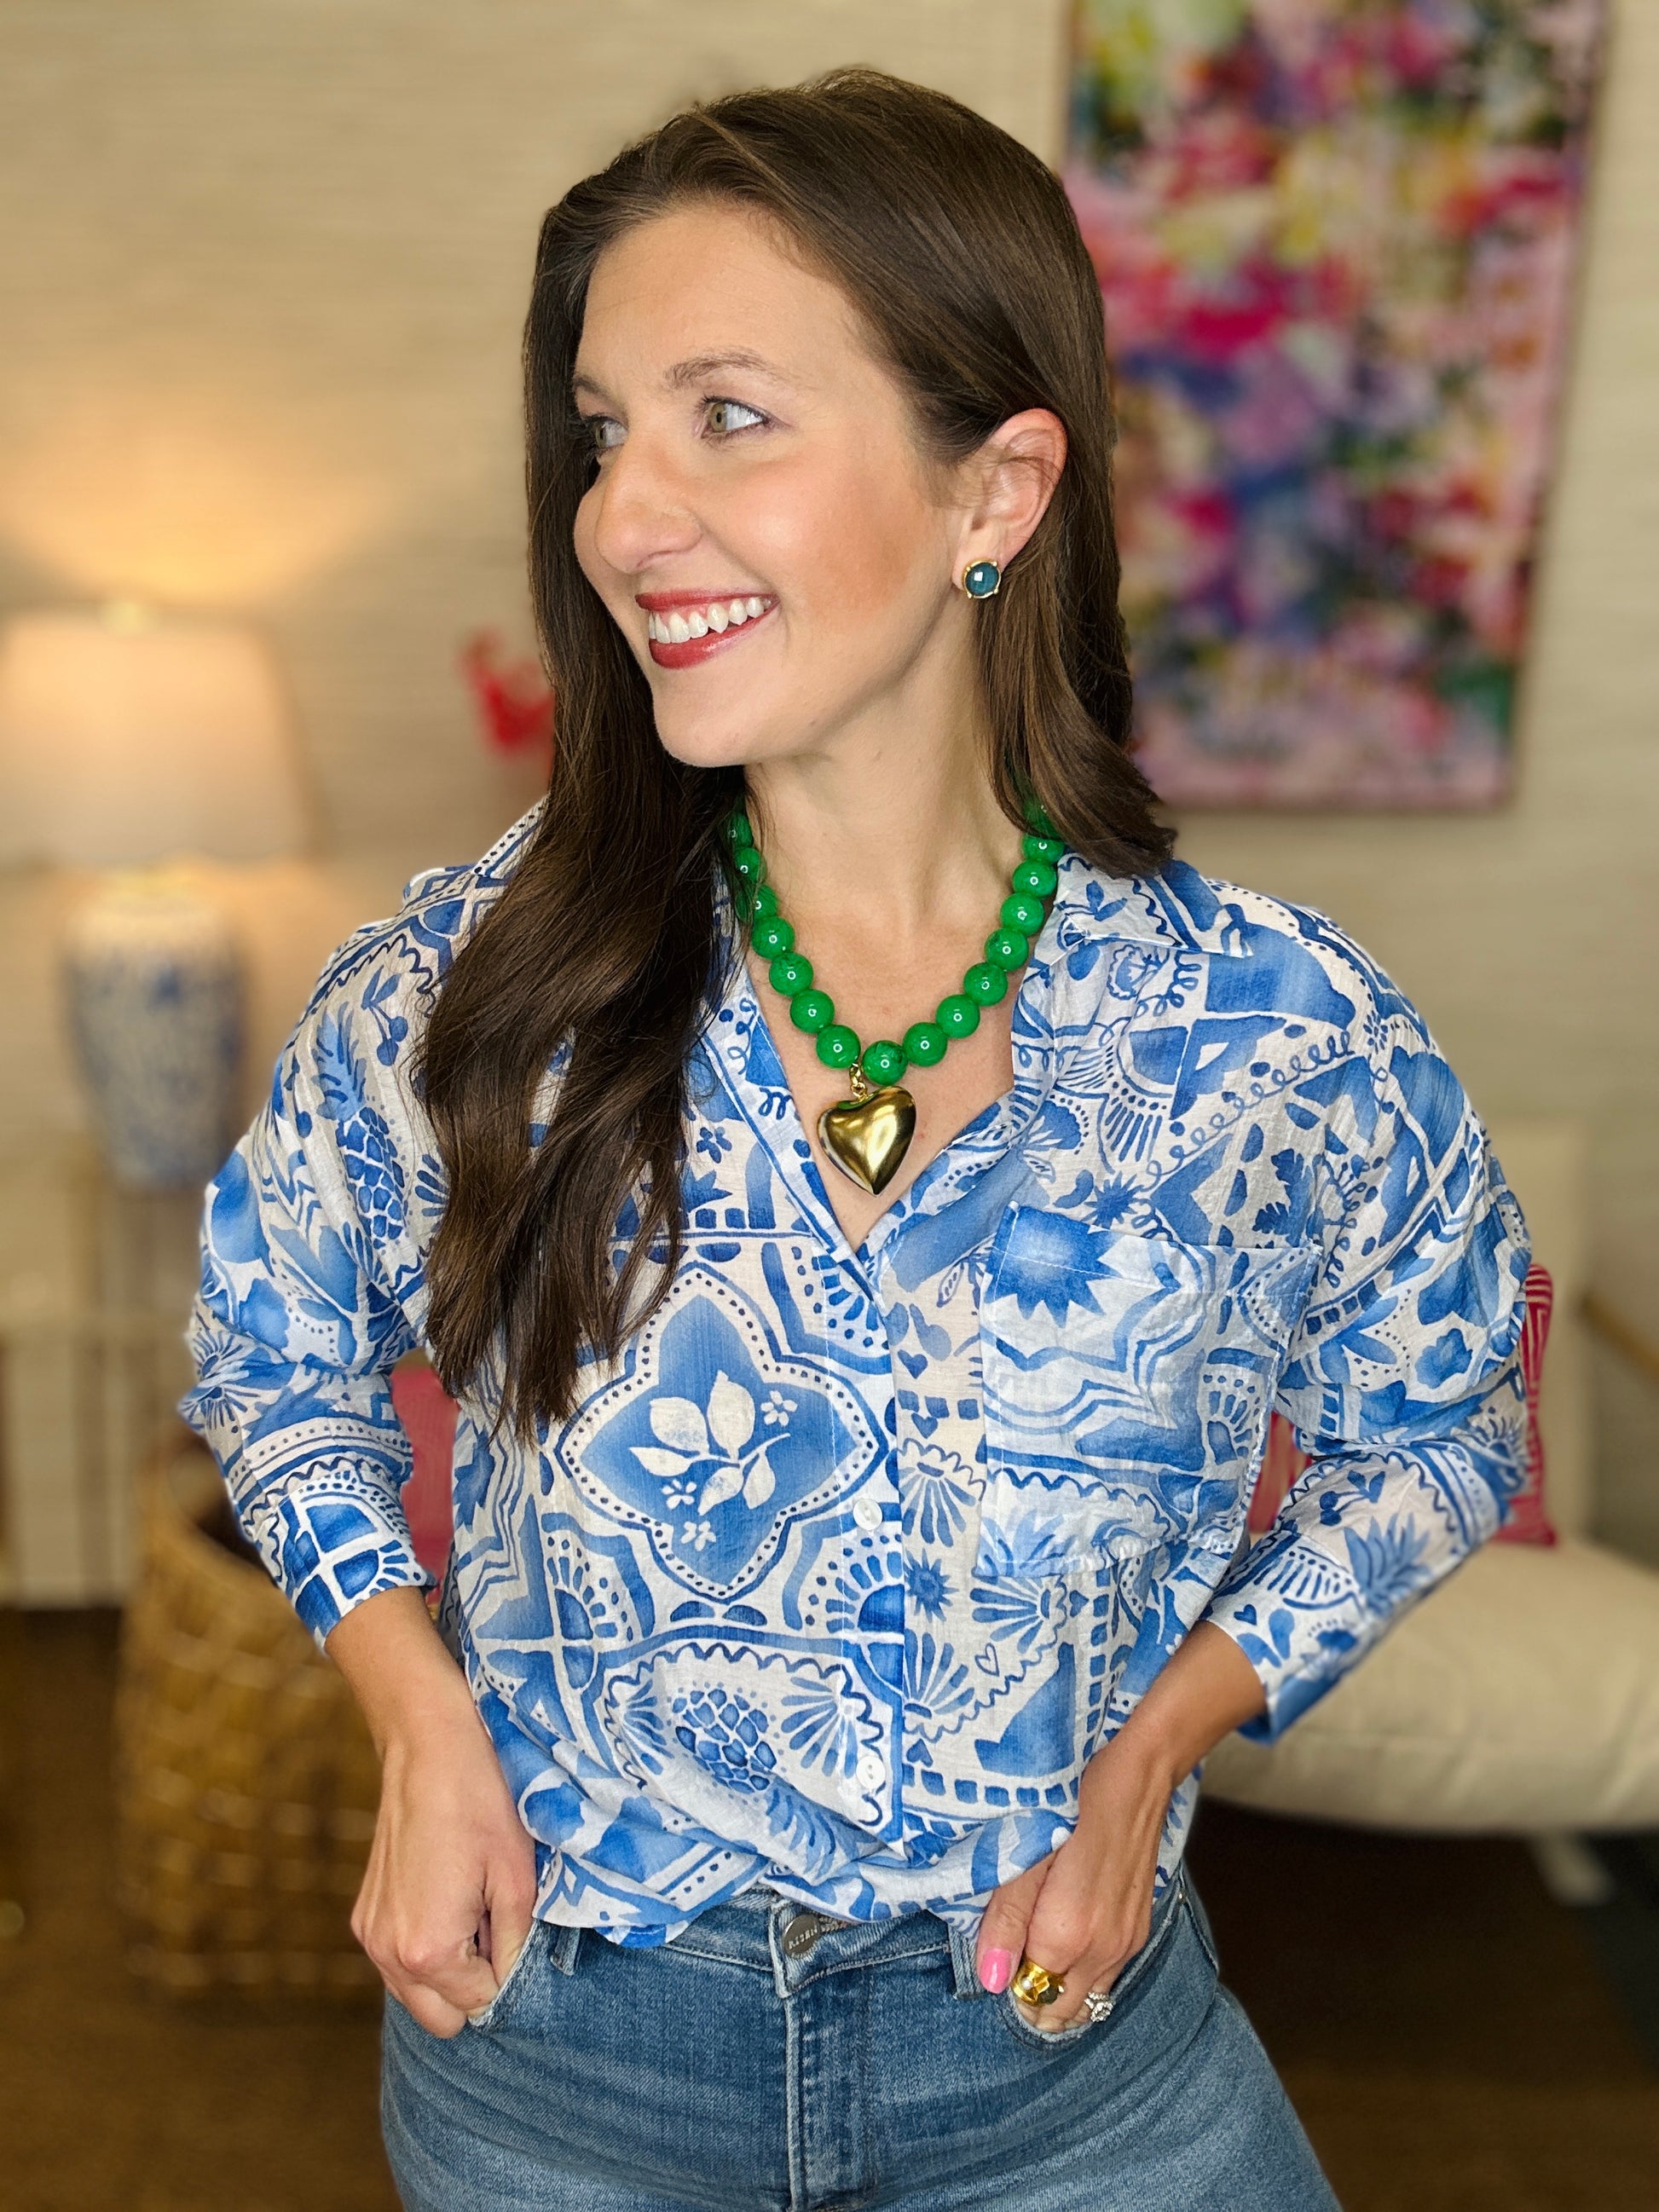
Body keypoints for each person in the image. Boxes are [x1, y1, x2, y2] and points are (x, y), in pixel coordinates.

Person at [182, 66, 1531, 2212]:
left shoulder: (1278, 1031)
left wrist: (1161, 1741)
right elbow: (268, 1345)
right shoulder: (473, 977)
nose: (623, 512)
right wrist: (416, 1709)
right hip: (557, 2074)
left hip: (1073, 2073)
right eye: (606, 431)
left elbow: (1440, 1432)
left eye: (730, 415)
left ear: (996, 488)